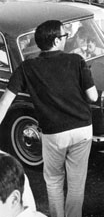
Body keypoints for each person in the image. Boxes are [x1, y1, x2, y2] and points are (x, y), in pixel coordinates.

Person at [0, 20, 98, 217]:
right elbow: (93, 96)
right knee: (76, 184)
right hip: (82, 129)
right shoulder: (76, 60)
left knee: (54, 182)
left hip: (54, 133)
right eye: (64, 36)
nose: (66, 39)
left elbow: (5, 102)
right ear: (55, 41)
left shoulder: (27, 67)